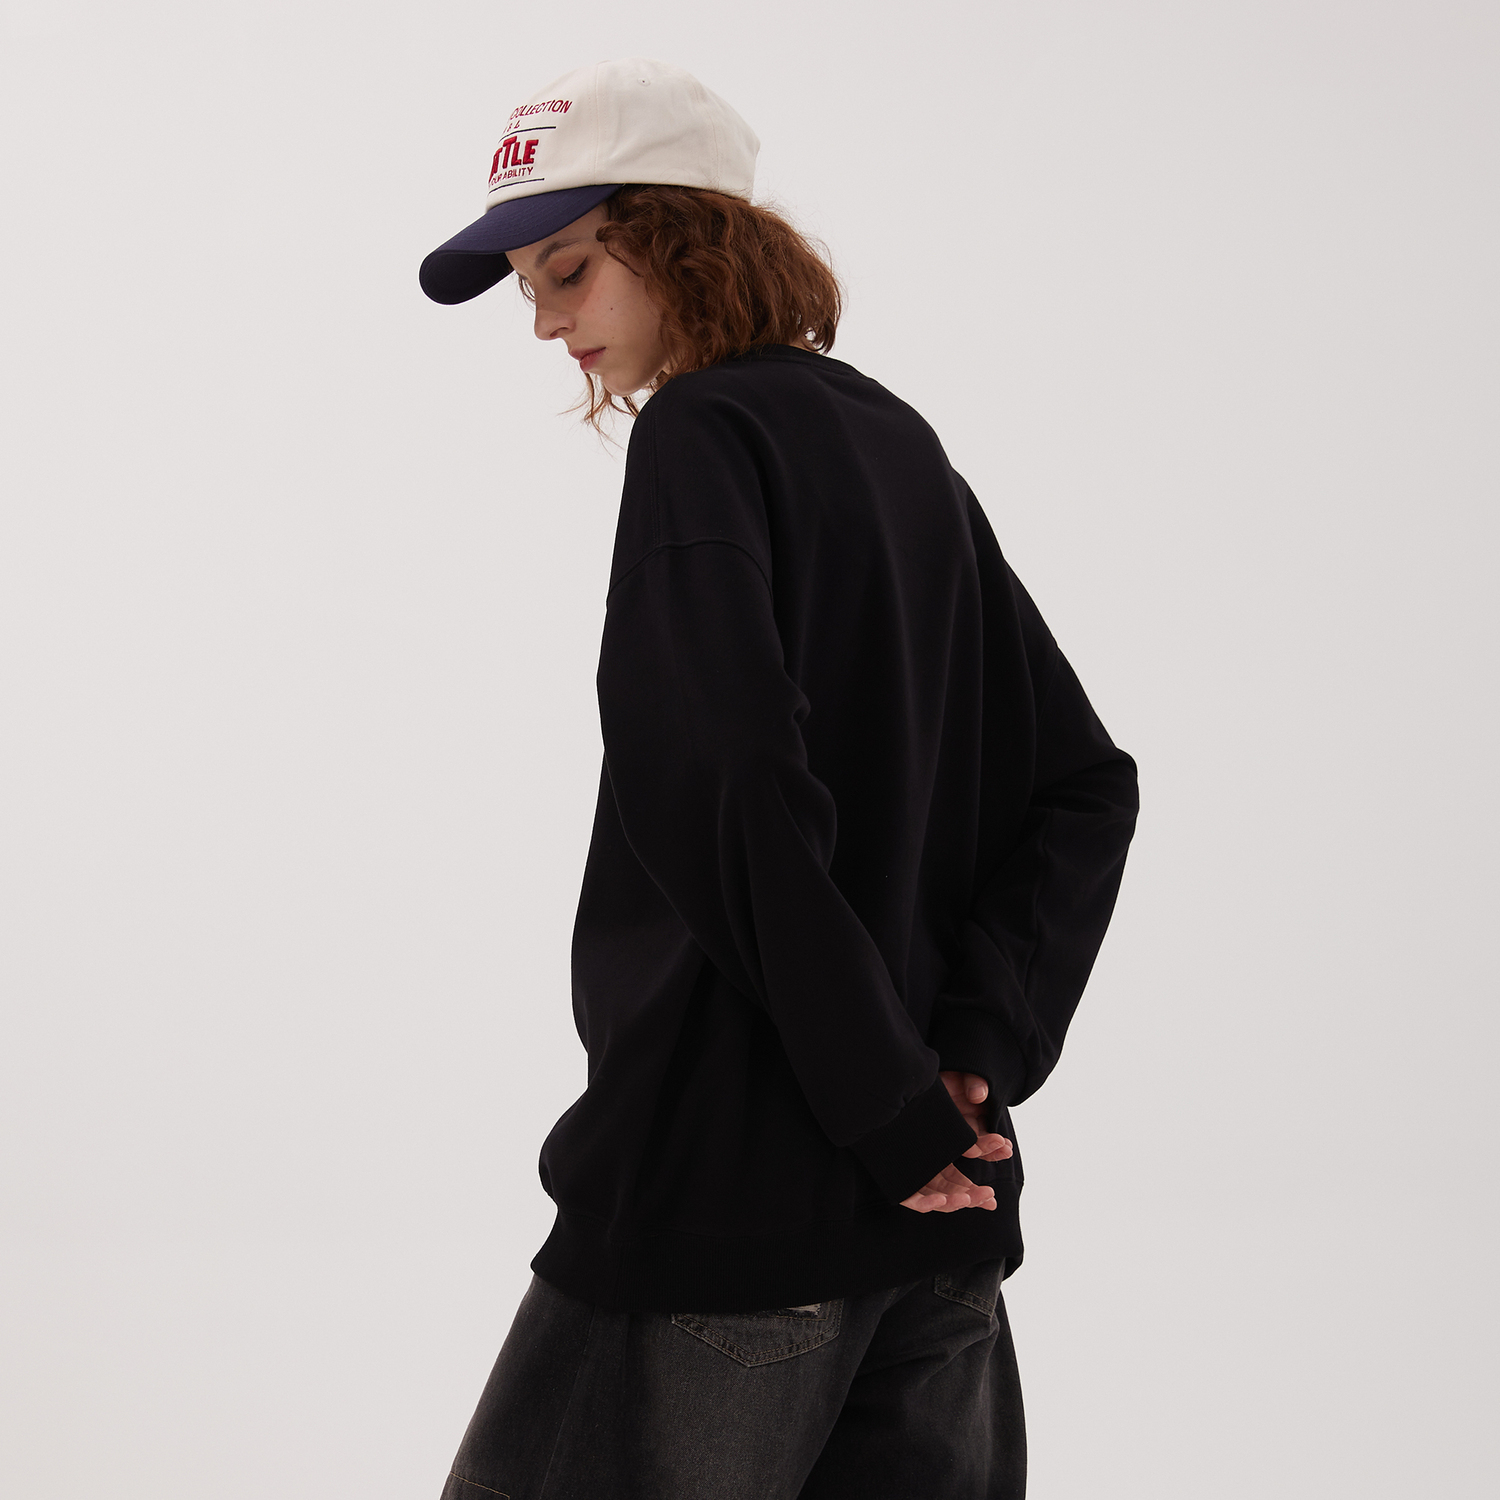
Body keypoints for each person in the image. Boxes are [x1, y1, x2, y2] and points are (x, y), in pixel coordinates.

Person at [418, 57, 1138, 1500]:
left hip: (725, 1210)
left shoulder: (703, 437)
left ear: (688, 239)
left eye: (569, 268)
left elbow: (730, 783)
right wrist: (965, 1057)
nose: (546, 321)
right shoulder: (895, 441)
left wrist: (883, 1103)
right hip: (937, 1228)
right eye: (527, 290)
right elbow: (1083, 784)